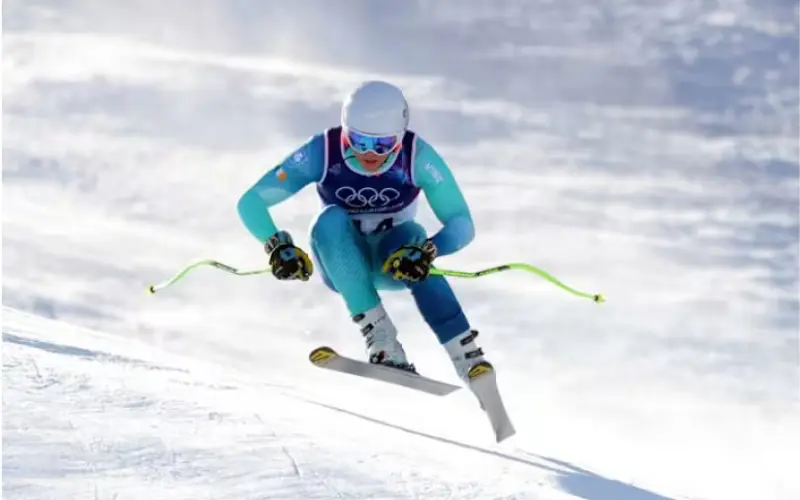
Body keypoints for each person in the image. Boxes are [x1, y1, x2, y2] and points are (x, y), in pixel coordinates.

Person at [236, 80, 491, 384]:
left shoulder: (417, 156)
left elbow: (462, 222)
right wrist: (276, 246)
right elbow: (250, 202)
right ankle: (381, 337)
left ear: (400, 136)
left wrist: (429, 250)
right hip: (340, 263)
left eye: (383, 146)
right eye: (357, 141)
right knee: (327, 221)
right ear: (344, 130)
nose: (370, 155)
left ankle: (466, 356)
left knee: (411, 235)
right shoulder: (323, 151)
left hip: (396, 262)